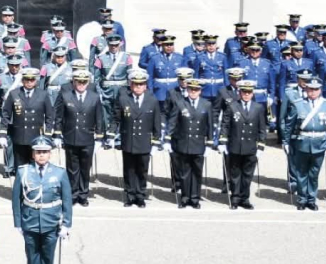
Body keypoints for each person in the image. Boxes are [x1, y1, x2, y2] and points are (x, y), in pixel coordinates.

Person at [12, 135, 73, 264]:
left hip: (51, 222)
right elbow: (16, 199)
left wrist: (66, 224)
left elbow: (66, 200)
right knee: (32, 258)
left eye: (45, 152)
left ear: (50, 154)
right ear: (32, 154)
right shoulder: (23, 172)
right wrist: (18, 222)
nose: (41, 155)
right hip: (30, 220)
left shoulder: (59, 173)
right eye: (38, 152)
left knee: (47, 258)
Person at [51, 69, 104, 207]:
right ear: (73, 82)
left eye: (84, 82)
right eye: (78, 81)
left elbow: (99, 118)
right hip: (71, 137)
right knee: (72, 168)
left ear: (88, 83)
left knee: (85, 169)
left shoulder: (94, 97)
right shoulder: (66, 95)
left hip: (87, 138)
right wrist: (57, 133)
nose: (81, 84)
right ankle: (73, 194)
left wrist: (99, 137)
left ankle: (83, 194)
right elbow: (59, 116)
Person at [215, 79, 268, 210]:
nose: (246, 94)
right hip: (235, 145)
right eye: (244, 92)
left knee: (247, 175)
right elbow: (225, 125)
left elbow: (262, 128)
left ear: (252, 93)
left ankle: (245, 198)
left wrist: (261, 145)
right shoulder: (232, 106)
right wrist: (222, 141)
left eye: (249, 92)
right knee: (235, 174)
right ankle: (235, 198)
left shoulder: (258, 107)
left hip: (250, 147)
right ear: (239, 92)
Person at [284, 76, 326, 211]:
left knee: (313, 174)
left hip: (320, 144)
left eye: (316, 89)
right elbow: (289, 125)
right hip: (302, 143)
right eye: (310, 89)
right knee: (301, 173)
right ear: (306, 89)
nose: (312, 92)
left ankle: (311, 199)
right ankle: (301, 199)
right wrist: (286, 142)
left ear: (320, 90)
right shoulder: (298, 103)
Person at [114, 70, 162, 208]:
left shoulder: (152, 100)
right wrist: (112, 134)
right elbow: (116, 118)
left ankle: (140, 196)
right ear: (131, 85)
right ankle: (130, 195)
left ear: (145, 86)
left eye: (141, 84)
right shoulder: (124, 99)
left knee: (142, 170)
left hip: (144, 141)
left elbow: (156, 121)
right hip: (128, 139)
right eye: (135, 84)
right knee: (129, 170)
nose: (138, 87)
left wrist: (156, 140)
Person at [164, 78, 211, 209]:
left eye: (196, 90)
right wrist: (167, 139)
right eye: (191, 89)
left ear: (200, 91)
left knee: (197, 172)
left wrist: (209, 143)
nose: (193, 92)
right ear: (187, 90)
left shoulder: (206, 104)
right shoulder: (180, 103)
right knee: (184, 173)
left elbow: (210, 125)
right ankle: (185, 198)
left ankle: (195, 198)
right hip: (183, 143)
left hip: (198, 144)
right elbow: (172, 123)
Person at [0, 68, 54, 172]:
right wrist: (2, 134)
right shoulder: (14, 94)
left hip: (36, 136)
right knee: (20, 168)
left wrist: (47, 134)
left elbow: (49, 116)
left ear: (36, 81)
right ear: (22, 80)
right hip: (19, 136)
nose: (29, 82)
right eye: (26, 80)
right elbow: (6, 114)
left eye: (32, 80)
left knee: (35, 167)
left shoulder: (43, 94)